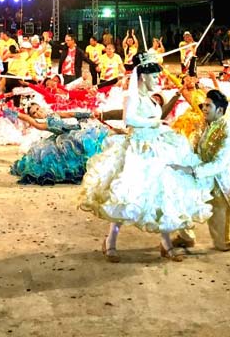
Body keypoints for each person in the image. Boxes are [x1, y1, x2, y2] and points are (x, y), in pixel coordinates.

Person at [79, 49, 212, 262]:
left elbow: (157, 116)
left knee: (163, 195)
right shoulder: (132, 97)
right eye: (154, 76)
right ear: (142, 76)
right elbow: (129, 120)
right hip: (138, 150)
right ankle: (110, 241)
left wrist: (161, 124)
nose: (157, 79)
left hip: (158, 148)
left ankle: (166, 244)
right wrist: (154, 123)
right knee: (128, 196)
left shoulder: (150, 99)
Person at [173, 89, 230, 251]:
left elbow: (220, 164)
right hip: (199, 182)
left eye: (208, 106)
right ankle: (185, 236)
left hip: (219, 187)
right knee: (177, 198)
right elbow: (194, 149)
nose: (204, 108)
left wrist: (193, 171)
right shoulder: (204, 124)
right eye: (204, 105)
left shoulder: (229, 131)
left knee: (223, 244)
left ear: (220, 110)